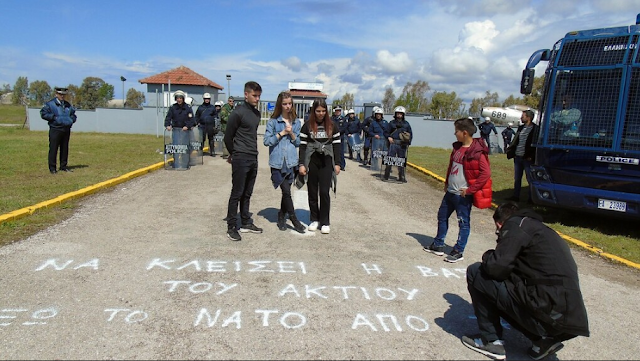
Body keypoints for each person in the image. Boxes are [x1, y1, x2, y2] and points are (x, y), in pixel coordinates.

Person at [462, 202, 589, 361]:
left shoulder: (516, 225)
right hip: (571, 320)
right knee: (513, 290)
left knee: (477, 272)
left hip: (547, 312)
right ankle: (542, 342)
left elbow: (496, 267)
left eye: (498, 230)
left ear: (500, 224)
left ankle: (491, 340)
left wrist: (488, 256)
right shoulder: (545, 232)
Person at [424, 117, 491, 263]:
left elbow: (485, 173)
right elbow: (452, 167)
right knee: (442, 216)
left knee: (463, 222)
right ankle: (438, 244)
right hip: (450, 192)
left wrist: (470, 190)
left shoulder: (477, 152)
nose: (455, 134)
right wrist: (447, 181)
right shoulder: (457, 148)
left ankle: (458, 250)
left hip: (463, 195)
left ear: (465, 133)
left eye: (457, 131)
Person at [224, 82, 263, 241]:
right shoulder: (237, 113)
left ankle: (246, 221)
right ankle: (231, 226)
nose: (257, 98)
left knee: (247, 192)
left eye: (259, 96)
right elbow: (228, 137)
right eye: (254, 95)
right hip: (240, 157)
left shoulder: (257, 114)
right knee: (237, 192)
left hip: (253, 156)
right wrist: (234, 154)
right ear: (246, 94)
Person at [263, 91, 306, 234]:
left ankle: (281, 215)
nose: (288, 106)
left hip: (291, 162)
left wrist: (292, 133)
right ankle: (294, 219)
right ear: (279, 105)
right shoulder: (273, 122)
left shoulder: (296, 122)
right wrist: (281, 133)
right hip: (277, 162)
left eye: (289, 104)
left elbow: (298, 142)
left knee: (286, 193)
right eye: (284, 104)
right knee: (286, 192)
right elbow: (267, 141)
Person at [298, 98, 342, 234]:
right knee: (312, 191)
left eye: (323, 111)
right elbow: (303, 147)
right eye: (318, 111)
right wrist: (301, 164)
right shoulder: (307, 126)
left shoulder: (332, 126)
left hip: (326, 161)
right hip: (312, 161)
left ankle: (325, 222)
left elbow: (337, 145)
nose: (321, 113)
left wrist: (338, 163)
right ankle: (314, 219)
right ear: (313, 111)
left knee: (324, 192)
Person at [40, 87, 77, 174]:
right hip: (55, 129)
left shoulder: (68, 105)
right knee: (53, 148)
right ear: (56, 94)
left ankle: (63, 166)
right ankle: (52, 168)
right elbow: (43, 113)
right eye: (60, 94)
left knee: (65, 149)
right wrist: (54, 118)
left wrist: (71, 120)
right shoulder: (50, 104)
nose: (62, 96)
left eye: (64, 95)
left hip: (66, 129)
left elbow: (73, 115)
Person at [506, 110, 538, 203]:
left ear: (528, 117)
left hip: (527, 158)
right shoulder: (520, 128)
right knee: (517, 178)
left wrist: (531, 156)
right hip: (518, 157)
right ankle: (516, 196)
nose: (521, 117)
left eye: (523, 116)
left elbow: (535, 144)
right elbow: (516, 140)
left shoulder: (535, 129)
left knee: (530, 178)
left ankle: (531, 198)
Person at [383, 106, 412, 182]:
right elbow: (386, 132)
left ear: (403, 115)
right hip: (393, 143)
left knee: (401, 161)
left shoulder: (406, 124)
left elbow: (410, 134)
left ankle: (401, 176)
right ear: (395, 114)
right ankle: (386, 175)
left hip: (402, 145)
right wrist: (389, 137)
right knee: (389, 159)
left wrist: (408, 142)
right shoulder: (391, 123)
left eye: (401, 114)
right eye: (398, 114)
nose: (399, 115)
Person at [332, 105, 347, 171]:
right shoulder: (331, 119)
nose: (338, 112)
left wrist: (338, 132)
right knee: (332, 151)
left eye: (339, 111)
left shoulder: (343, 119)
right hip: (332, 137)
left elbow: (344, 127)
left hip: (340, 137)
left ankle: (342, 165)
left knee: (341, 151)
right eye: (336, 111)